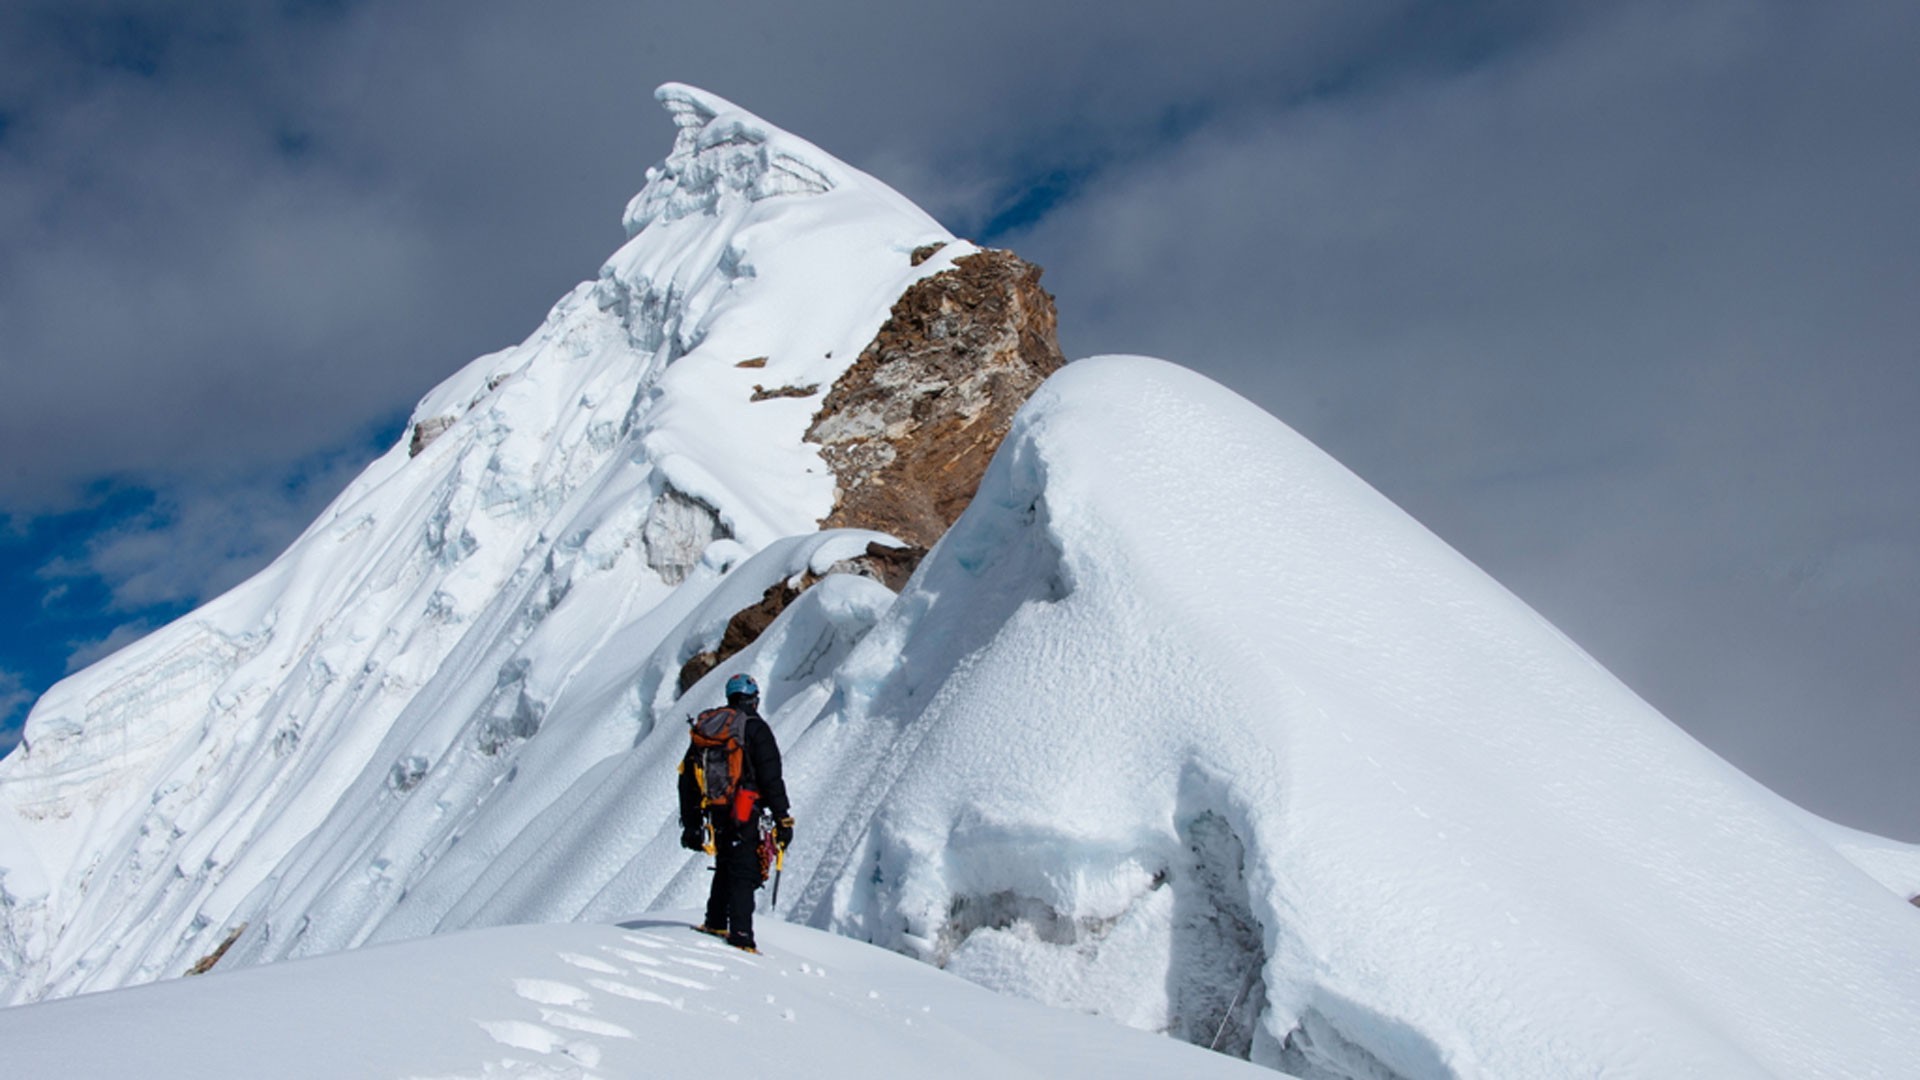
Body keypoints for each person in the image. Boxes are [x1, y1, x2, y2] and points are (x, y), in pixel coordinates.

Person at [679, 673, 793, 953]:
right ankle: (741, 935)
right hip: (745, 808)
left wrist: (692, 823)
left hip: (715, 809)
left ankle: (715, 920)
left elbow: (688, 778)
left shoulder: (710, 728)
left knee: (727, 860)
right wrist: (783, 818)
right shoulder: (755, 728)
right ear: (753, 699)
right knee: (744, 870)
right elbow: (771, 777)